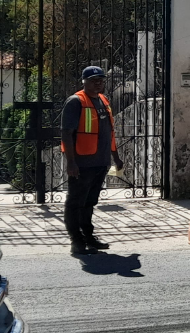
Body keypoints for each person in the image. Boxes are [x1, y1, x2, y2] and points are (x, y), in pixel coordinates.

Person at [61, 66, 124, 255]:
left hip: (100, 162)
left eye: (101, 80)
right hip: (82, 163)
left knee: (89, 202)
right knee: (75, 203)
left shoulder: (103, 100)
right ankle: (77, 241)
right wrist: (71, 162)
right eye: (94, 80)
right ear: (84, 81)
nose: (98, 83)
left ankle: (88, 237)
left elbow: (109, 133)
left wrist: (116, 158)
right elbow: (66, 134)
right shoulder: (75, 101)